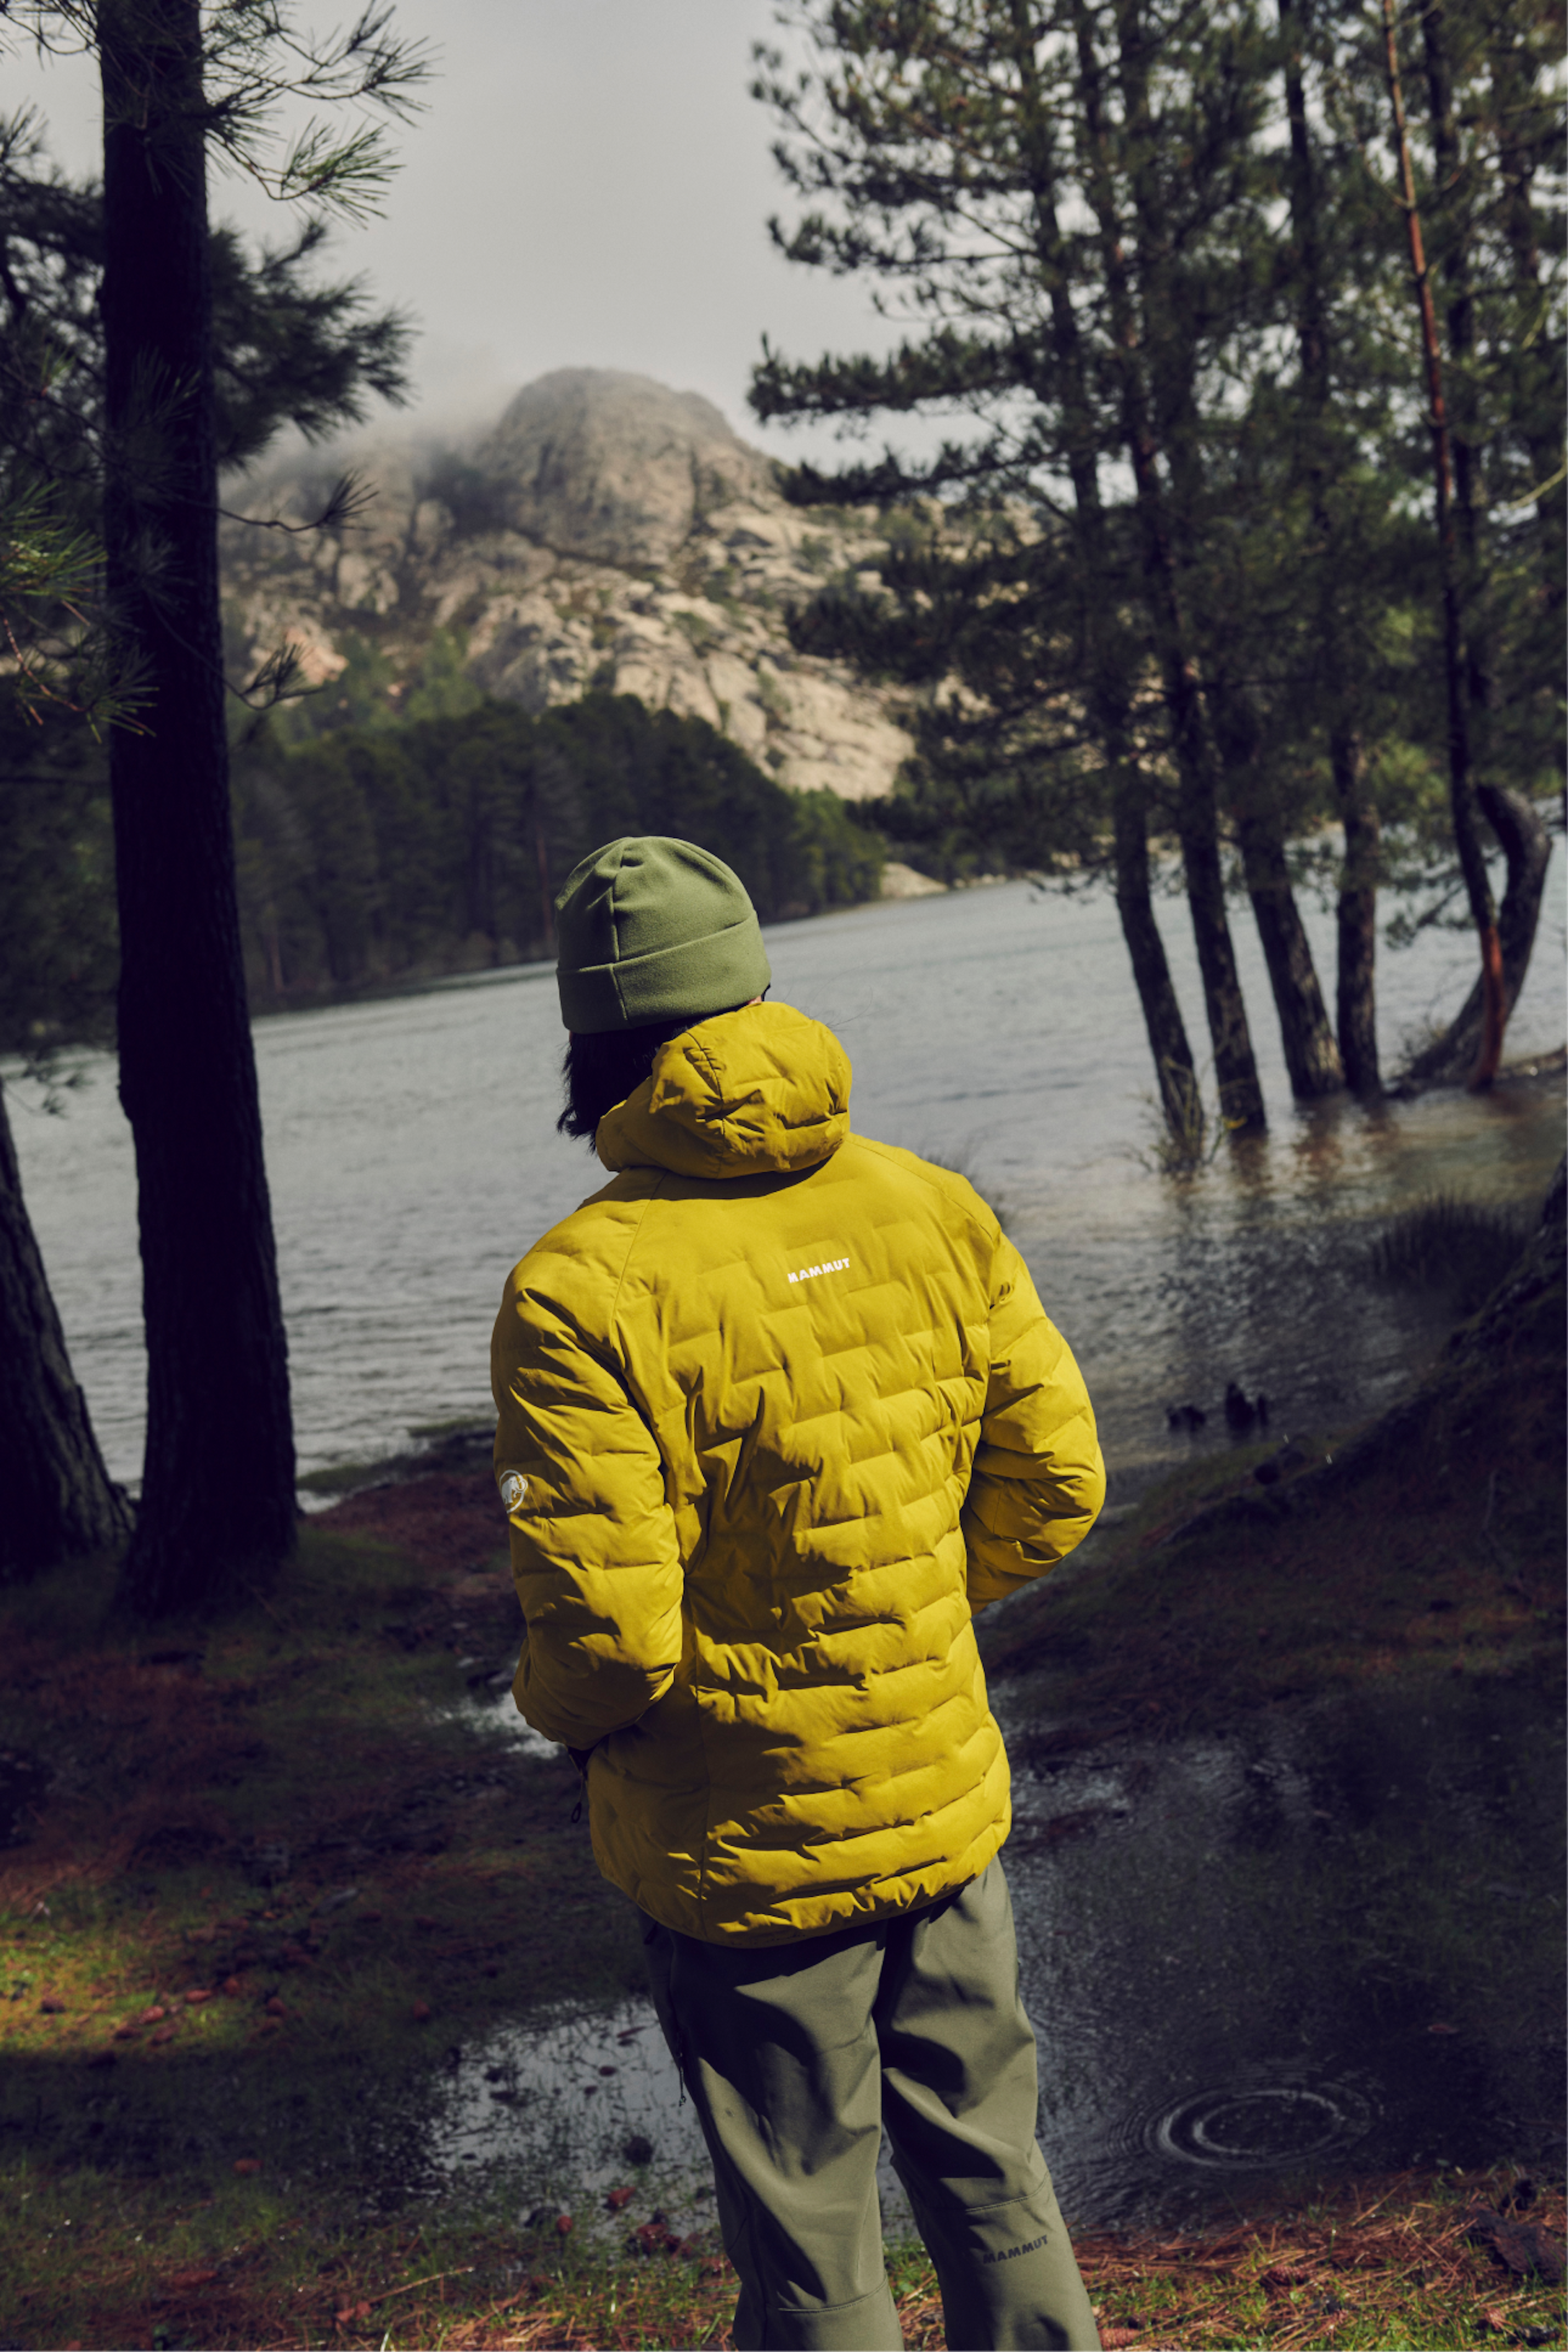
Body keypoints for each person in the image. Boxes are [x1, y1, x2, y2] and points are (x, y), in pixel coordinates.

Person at [491, 835, 1106, 2352]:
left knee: (811, 2249)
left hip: (741, 1846)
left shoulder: (580, 1288)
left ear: (590, 1040)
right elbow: (1059, 1488)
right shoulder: (932, 1206)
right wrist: (902, 1614)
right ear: (756, 990)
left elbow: (611, 1641)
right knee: (999, 2181)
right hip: (939, 1798)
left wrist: (545, 1718)